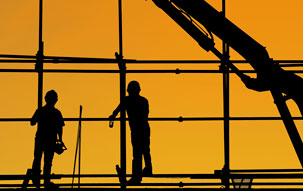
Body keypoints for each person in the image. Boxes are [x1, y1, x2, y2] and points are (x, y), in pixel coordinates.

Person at [110, 81, 152, 184]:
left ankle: (138, 176)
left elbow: (118, 110)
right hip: (143, 128)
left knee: (138, 152)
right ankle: (147, 169)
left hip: (138, 129)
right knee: (144, 150)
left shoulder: (127, 100)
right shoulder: (142, 100)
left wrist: (113, 116)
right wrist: (113, 115)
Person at [31, 90, 65, 189]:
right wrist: (60, 139)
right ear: (56, 100)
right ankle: (46, 181)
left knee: (37, 158)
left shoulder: (40, 110)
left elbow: (32, 122)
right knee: (48, 161)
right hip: (50, 140)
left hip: (40, 138)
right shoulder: (57, 112)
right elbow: (60, 128)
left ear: (46, 99)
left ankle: (36, 180)